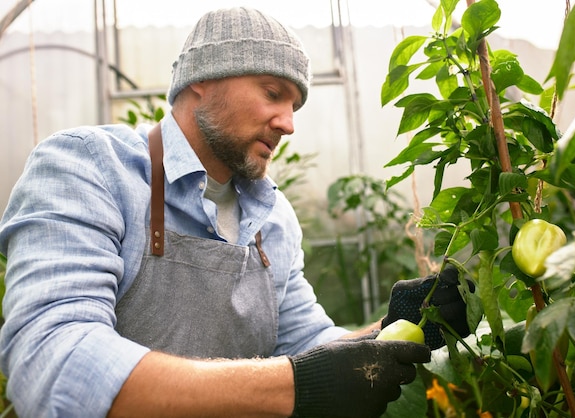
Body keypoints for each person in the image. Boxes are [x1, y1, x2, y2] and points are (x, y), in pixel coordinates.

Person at [0, 7, 472, 418]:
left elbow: (303, 344)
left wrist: (390, 333)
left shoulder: (273, 217)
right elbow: (52, 364)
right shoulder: (91, 168)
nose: (288, 123)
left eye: (295, 105)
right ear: (201, 80)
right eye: (273, 92)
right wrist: (296, 387)